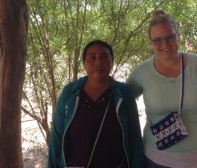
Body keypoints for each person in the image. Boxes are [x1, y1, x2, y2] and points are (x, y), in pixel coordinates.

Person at [127, 10, 197, 168]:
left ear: (178, 36)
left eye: (170, 37)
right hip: (155, 159)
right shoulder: (142, 72)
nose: (164, 44)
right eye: (157, 40)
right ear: (150, 43)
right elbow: (122, 101)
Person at [48, 40, 144, 168]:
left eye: (104, 56)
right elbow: (57, 136)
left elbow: (134, 136)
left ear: (112, 61)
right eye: (92, 57)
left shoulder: (123, 93)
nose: (98, 62)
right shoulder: (70, 92)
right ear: (84, 63)